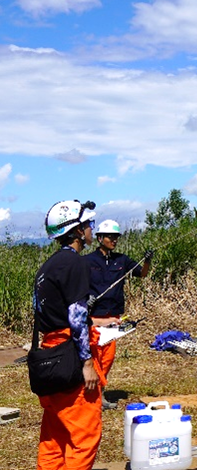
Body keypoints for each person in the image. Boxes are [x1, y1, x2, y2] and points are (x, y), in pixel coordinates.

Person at [34, 199, 104, 470]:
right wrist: (86, 363)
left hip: (49, 357)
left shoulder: (48, 267)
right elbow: (75, 316)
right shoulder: (75, 264)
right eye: (88, 224)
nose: (91, 229)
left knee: (54, 436)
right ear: (76, 231)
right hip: (69, 358)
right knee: (83, 436)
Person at [86, 219, 152, 408]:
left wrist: (147, 260)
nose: (114, 240)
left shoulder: (122, 260)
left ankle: (99, 393)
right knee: (95, 358)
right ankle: (94, 397)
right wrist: (86, 298)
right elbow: (77, 285)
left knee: (107, 359)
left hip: (113, 319)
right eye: (110, 237)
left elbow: (142, 274)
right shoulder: (87, 262)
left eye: (116, 237)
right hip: (93, 318)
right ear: (100, 238)